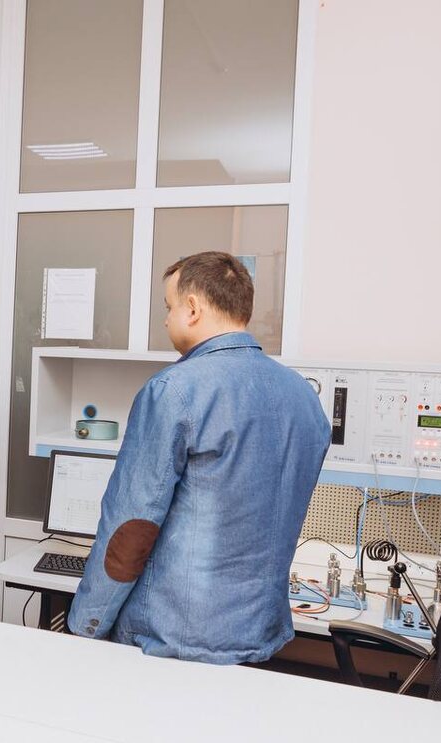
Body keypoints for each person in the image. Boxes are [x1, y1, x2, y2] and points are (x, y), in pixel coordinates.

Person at [68, 251, 330, 665]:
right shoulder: (303, 396)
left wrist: (87, 624)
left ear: (192, 309)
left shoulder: (173, 391)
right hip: (260, 634)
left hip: (173, 638)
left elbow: (132, 526)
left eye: (169, 307)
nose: (166, 320)